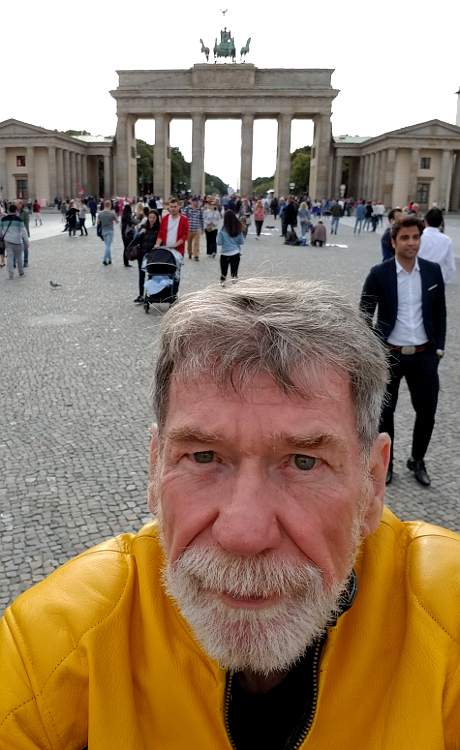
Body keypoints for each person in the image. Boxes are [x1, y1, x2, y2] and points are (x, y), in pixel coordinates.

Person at [3, 278, 460, 749]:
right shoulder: (51, 647)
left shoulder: (449, 616)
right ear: (155, 471)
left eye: (305, 462)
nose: (244, 534)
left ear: (373, 483)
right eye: (203, 457)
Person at [360, 215, 446, 487]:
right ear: (394, 242)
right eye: (405, 238)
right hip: (390, 353)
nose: (412, 243)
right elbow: (364, 314)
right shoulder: (379, 273)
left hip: (424, 354)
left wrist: (439, 349)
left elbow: (440, 312)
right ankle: (388, 464)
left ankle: (417, 460)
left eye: (416, 237)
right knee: (386, 414)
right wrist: (374, 350)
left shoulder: (432, 271)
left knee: (427, 412)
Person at [418, 207, 456, 284]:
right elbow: (450, 266)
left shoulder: (419, 237)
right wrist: (444, 281)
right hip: (437, 278)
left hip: (419, 277)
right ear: (441, 223)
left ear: (425, 222)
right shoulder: (446, 240)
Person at [133, 209, 160, 303]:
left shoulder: (159, 228)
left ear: (157, 218)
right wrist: (140, 233)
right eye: (150, 217)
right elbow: (135, 238)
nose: (152, 219)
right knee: (141, 274)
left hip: (152, 255)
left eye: (153, 218)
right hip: (142, 254)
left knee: (151, 275)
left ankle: (149, 295)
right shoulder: (143, 226)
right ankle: (141, 295)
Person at [0, 203, 29, 279]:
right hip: (17, 241)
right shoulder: (19, 219)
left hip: (7, 241)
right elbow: (23, 231)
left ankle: (10, 275)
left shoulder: (3, 219)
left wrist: (3, 236)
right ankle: (21, 273)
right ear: (16, 210)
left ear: (9, 210)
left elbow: (0, 230)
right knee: (19, 257)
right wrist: (26, 241)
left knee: (9, 257)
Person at [217, 208, 244, 283]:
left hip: (225, 254)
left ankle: (223, 285)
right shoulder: (237, 230)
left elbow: (219, 243)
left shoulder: (222, 231)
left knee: (223, 273)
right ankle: (234, 286)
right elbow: (241, 242)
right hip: (235, 253)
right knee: (234, 273)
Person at [182, 196, 204, 261]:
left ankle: (196, 255)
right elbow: (183, 219)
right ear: (192, 202)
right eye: (196, 201)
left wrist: (202, 228)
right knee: (189, 243)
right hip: (189, 229)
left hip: (197, 229)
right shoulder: (187, 209)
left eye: (198, 201)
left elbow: (201, 219)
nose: (197, 203)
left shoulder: (200, 210)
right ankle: (190, 253)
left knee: (196, 243)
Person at [97, 200, 119, 265]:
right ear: (110, 206)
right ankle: (104, 259)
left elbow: (97, 222)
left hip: (104, 231)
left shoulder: (100, 213)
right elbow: (117, 221)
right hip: (110, 231)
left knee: (107, 245)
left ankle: (109, 259)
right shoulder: (112, 214)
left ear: (104, 205)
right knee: (108, 246)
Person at [14, 200, 30, 267]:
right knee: (14, 248)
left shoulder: (25, 213)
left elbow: (26, 224)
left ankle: (25, 261)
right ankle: (13, 262)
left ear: (21, 204)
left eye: (17, 204)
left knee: (25, 248)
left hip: (23, 232)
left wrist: (25, 233)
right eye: (15, 204)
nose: (16, 205)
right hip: (15, 233)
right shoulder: (13, 212)